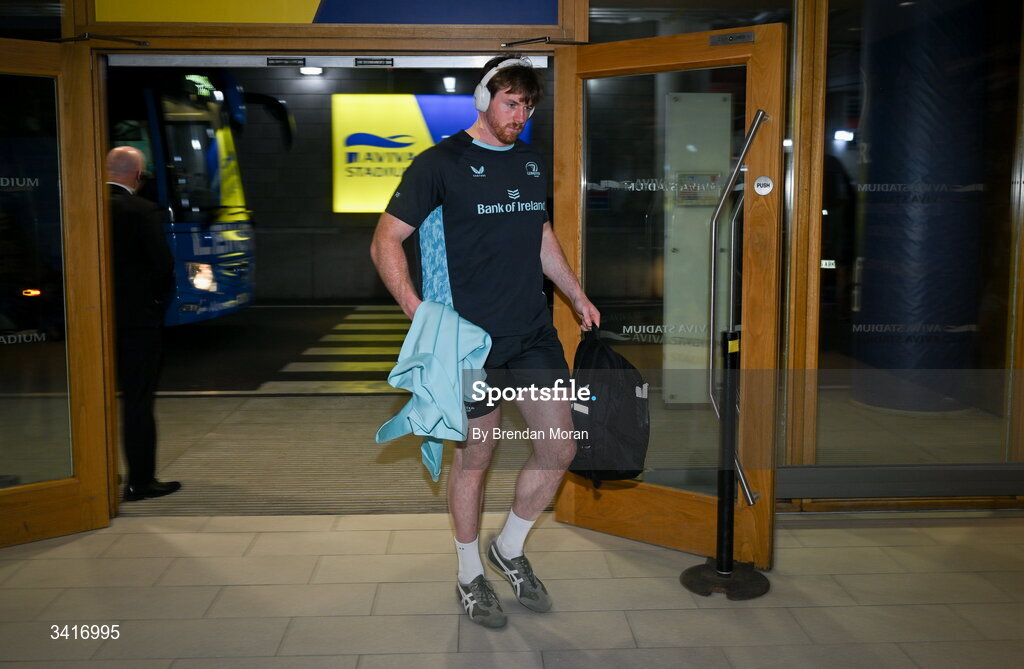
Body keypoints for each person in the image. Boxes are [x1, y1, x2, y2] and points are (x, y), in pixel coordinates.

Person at [370, 55, 600, 628]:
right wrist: (417, 311)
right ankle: (470, 571)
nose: (519, 115)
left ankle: (511, 548)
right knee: (477, 454)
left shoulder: (528, 161)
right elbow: (385, 242)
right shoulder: (439, 164)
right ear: (483, 99)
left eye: (527, 105)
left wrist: (574, 294)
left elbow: (540, 234)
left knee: (560, 447)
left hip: (531, 334)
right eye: (510, 102)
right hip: (468, 343)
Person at [106, 146, 181, 501]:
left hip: (92, 321)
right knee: (137, 400)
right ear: (137, 175)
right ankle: (140, 480)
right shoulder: (142, 211)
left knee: (94, 401)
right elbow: (163, 266)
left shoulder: (82, 206)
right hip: (137, 322)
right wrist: (153, 304)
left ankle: (96, 477)